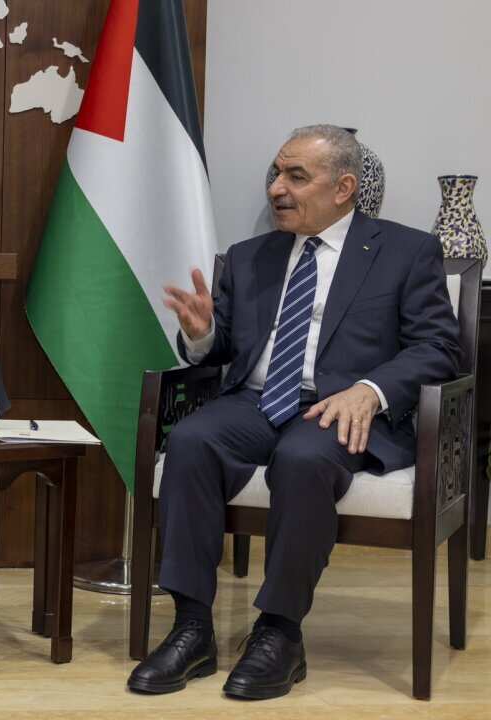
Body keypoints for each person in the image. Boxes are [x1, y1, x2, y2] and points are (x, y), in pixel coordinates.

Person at [127, 125, 460, 699]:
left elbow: (437, 348)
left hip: (341, 409)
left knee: (302, 458)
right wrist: (203, 336)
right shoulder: (250, 256)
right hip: (256, 402)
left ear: (344, 187)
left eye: (295, 176)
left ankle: (280, 632)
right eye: (275, 175)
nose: (277, 188)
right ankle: (191, 627)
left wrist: (371, 389)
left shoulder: (406, 251)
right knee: (189, 441)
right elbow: (224, 348)